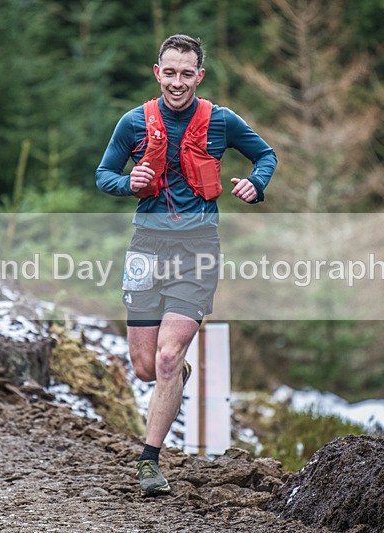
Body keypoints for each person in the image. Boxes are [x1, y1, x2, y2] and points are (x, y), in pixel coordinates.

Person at [95, 34, 277, 497]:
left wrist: (256, 184)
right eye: (169, 72)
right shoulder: (134, 123)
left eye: (187, 73)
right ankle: (173, 378)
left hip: (198, 250)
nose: (178, 82)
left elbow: (266, 154)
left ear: (200, 75)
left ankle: (149, 462)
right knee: (144, 366)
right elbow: (104, 175)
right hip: (144, 249)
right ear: (158, 73)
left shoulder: (221, 121)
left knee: (168, 356)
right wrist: (126, 181)